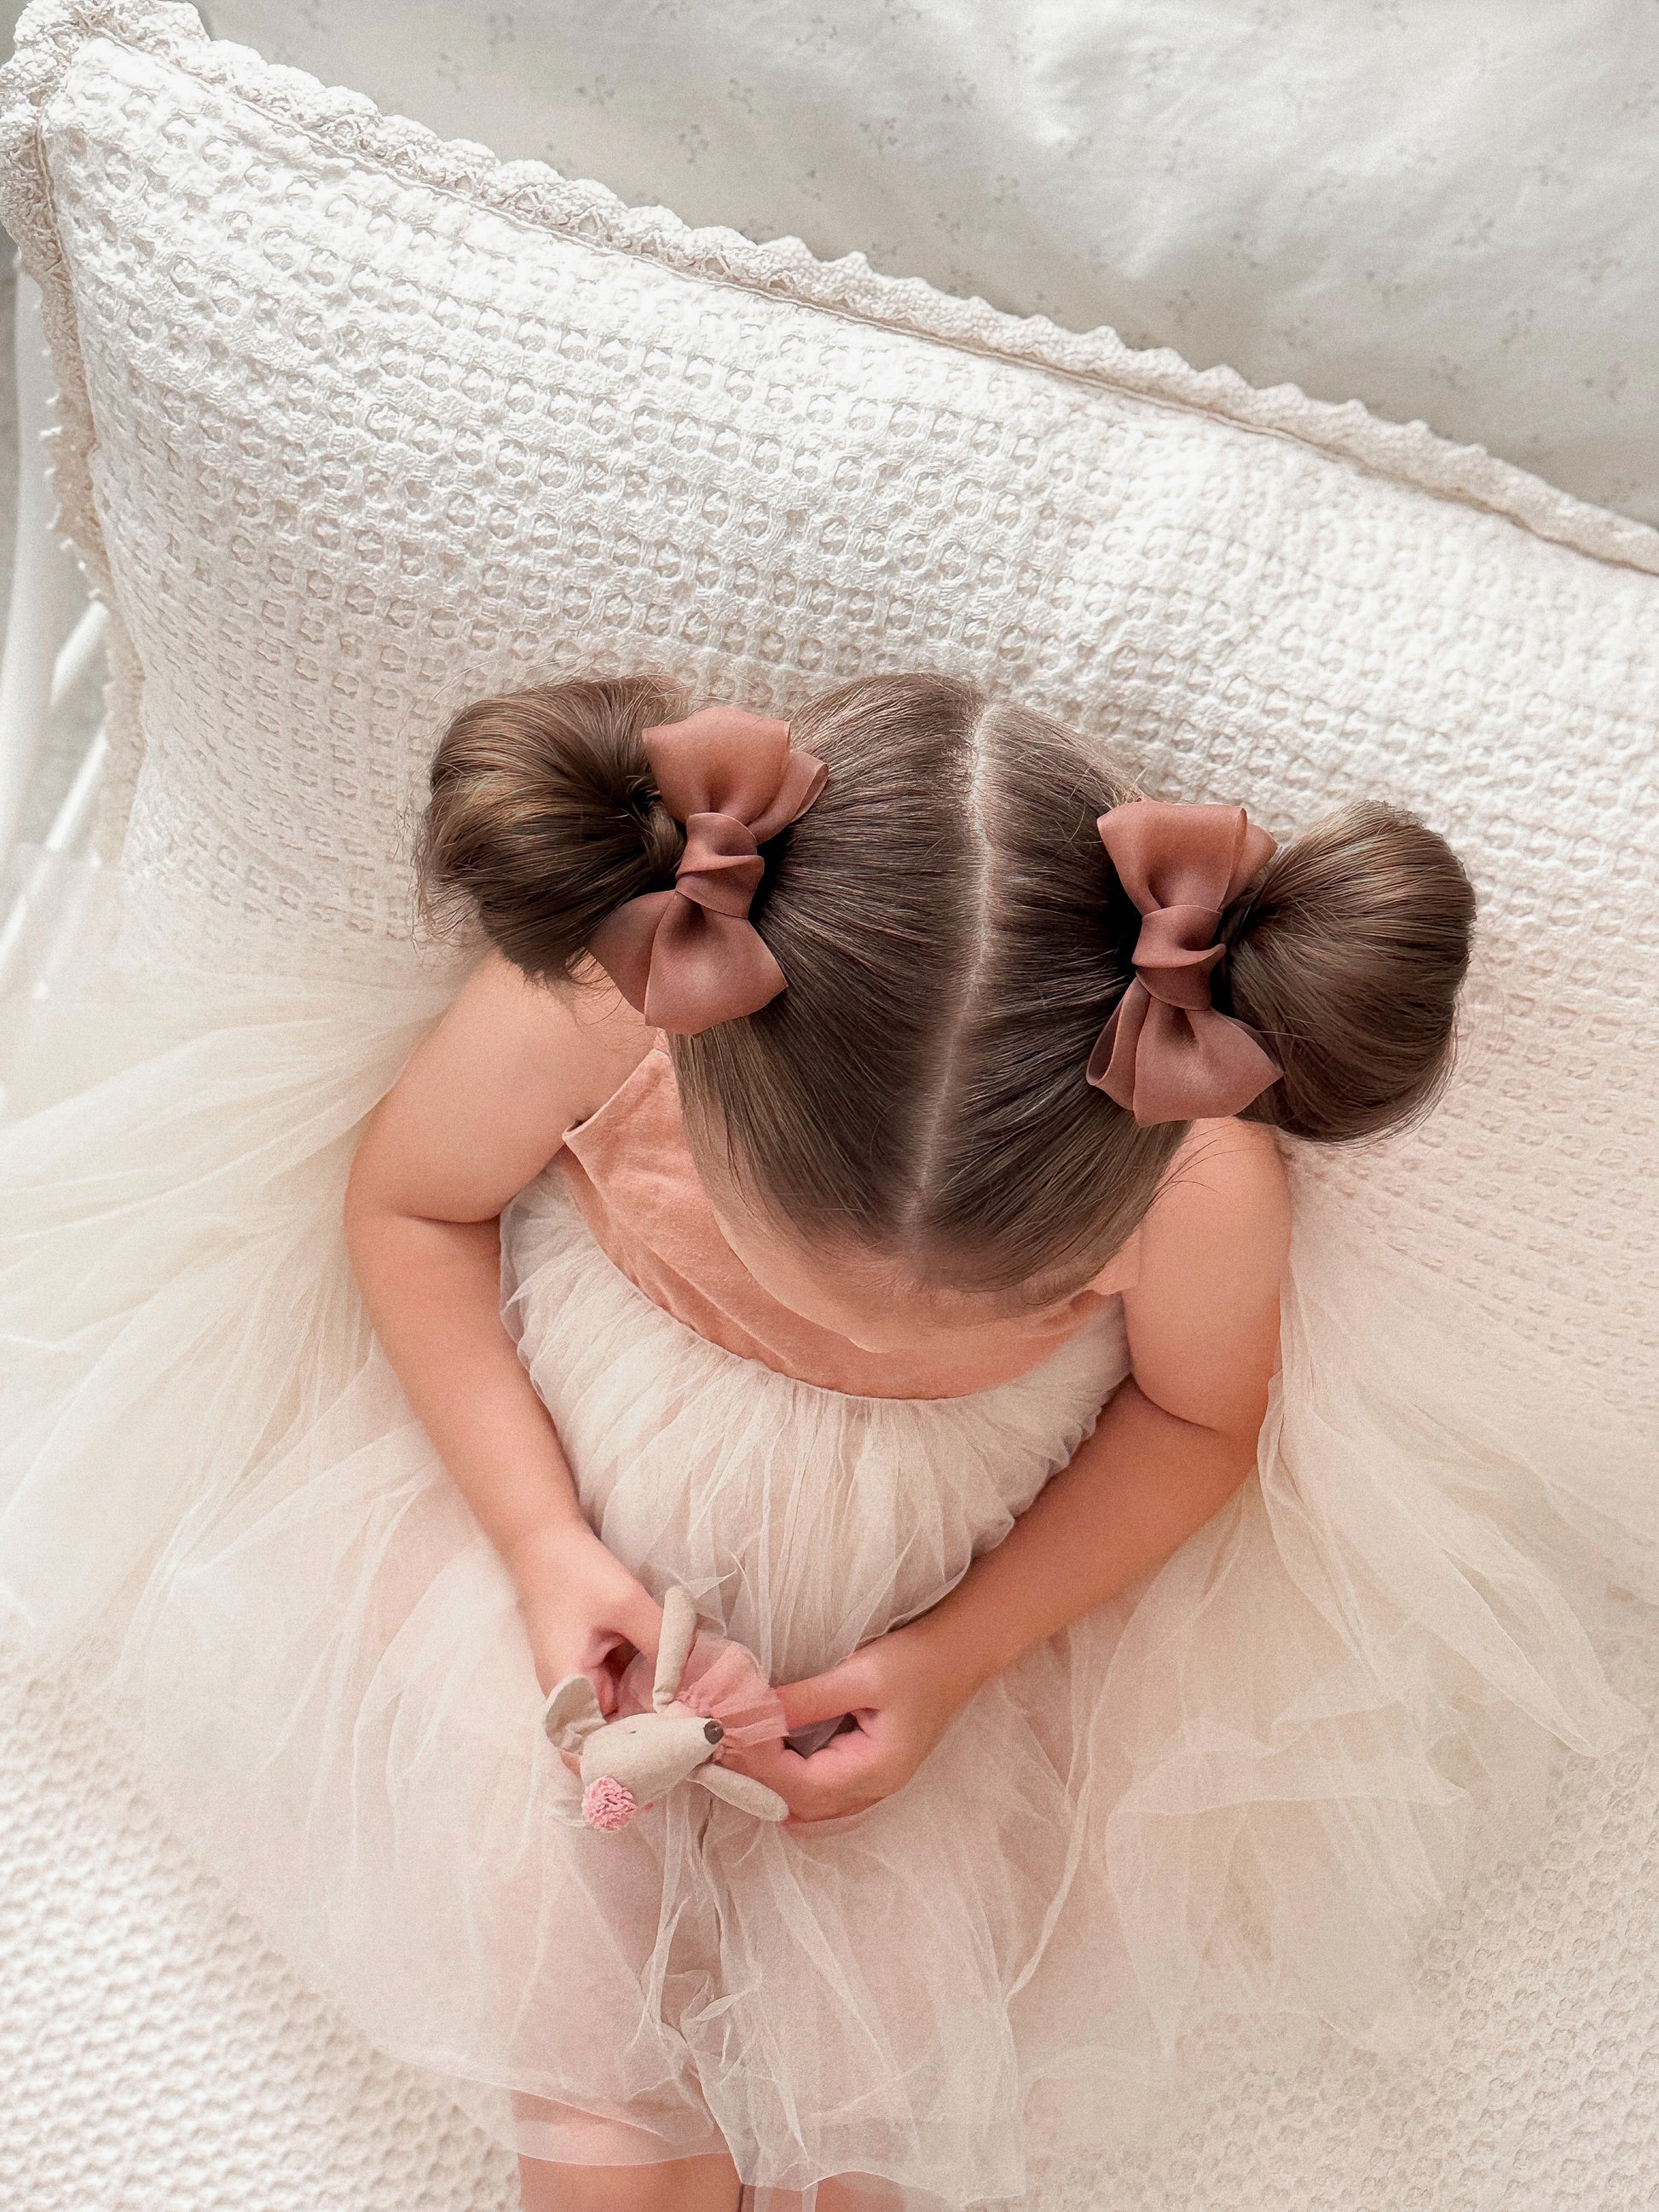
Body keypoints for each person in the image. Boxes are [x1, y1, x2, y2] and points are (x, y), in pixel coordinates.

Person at [1, 671, 1645, 2212]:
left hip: (917, 1603)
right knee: (585, 2057)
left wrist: (952, 1659)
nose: (875, 1349)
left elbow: (1196, 1414)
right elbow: (413, 1204)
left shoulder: (1193, 1162)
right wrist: (540, 1544)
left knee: (868, 2104)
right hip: (556, 1514)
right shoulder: (624, 997)